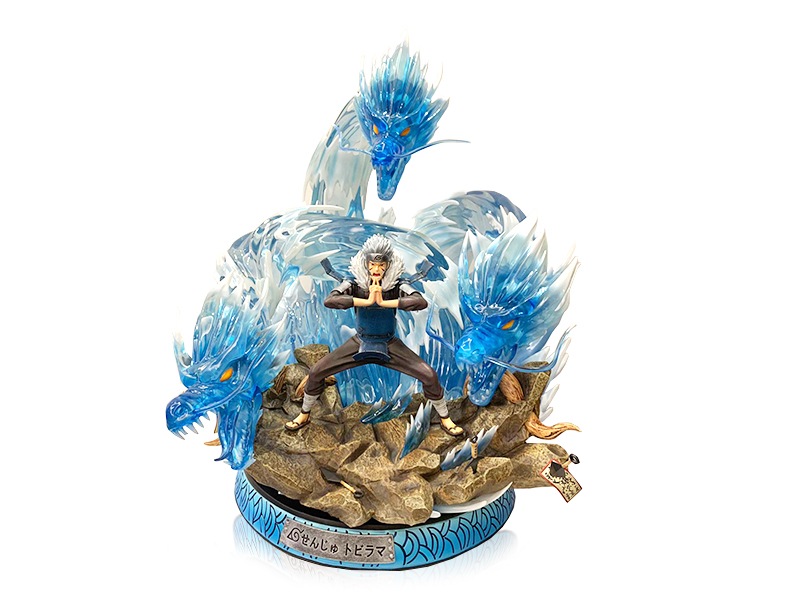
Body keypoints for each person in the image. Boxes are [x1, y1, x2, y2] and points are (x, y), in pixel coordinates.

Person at [285, 234, 463, 436]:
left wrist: (384, 302)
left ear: (388, 265)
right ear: (366, 263)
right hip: (359, 343)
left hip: (389, 344)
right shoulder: (353, 284)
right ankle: (304, 414)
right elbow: (331, 300)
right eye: (372, 264)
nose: (376, 269)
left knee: (429, 375)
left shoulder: (397, 285)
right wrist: (367, 301)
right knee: (317, 371)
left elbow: (419, 301)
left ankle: (445, 418)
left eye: (381, 265)